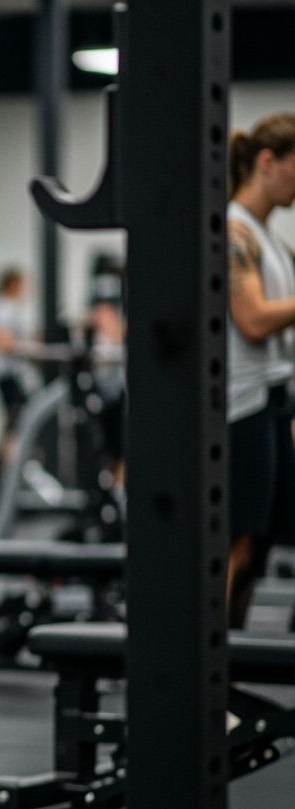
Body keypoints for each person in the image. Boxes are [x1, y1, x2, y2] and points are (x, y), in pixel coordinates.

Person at [225, 112, 295, 627]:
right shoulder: (234, 230)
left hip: (272, 400)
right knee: (237, 543)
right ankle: (210, 666)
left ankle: (233, 660)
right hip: (239, 404)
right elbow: (251, 319)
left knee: (262, 541)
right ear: (267, 162)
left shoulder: (272, 240)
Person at [0, 266, 37, 470]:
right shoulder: (1, 306)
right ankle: (6, 465)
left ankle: (12, 463)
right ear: (12, 283)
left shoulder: (13, 307)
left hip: (15, 373)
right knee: (15, 417)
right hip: (6, 373)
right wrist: (28, 347)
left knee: (18, 418)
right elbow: (2, 342)